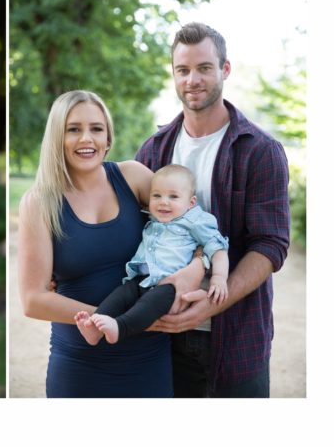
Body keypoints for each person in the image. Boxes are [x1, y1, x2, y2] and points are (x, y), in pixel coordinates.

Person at [17, 89, 205, 398]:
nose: (86, 139)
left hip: (149, 360)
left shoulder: (132, 177)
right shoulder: (39, 203)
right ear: (56, 138)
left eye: (96, 128)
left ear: (108, 138)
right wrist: (115, 320)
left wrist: (196, 267)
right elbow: (33, 300)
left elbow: (194, 221)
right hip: (80, 364)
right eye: (73, 129)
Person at [136, 22, 290, 397]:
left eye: (204, 68)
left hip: (236, 337)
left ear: (225, 69)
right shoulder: (153, 151)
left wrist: (210, 306)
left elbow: (270, 245)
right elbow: (131, 231)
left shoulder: (259, 150)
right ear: (173, 74)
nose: (193, 79)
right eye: (183, 70)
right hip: (161, 336)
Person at [75, 164, 229, 346]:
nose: (163, 201)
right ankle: (94, 326)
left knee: (149, 303)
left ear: (191, 203)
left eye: (173, 196)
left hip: (171, 286)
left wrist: (219, 278)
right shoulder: (153, 218)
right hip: (143, 279)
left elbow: (217, 247)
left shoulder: (195, 221)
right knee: (122, 293)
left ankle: (120, 327)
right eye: (157, 195)